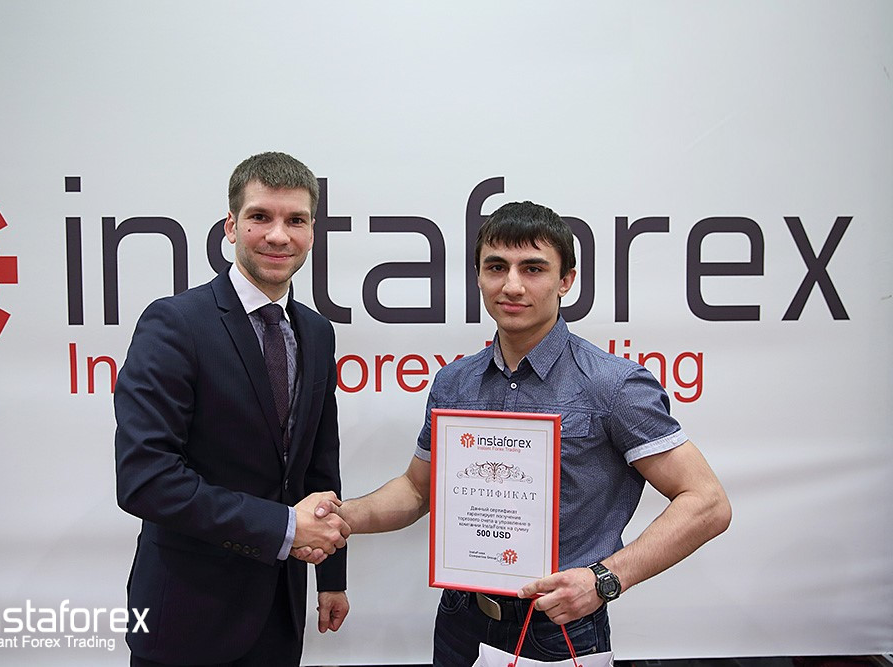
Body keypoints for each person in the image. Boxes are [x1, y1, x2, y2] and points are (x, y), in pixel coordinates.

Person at [300, 200, 731, 665]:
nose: (512, 285)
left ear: (566, 280)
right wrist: (341, 517)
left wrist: (605, 579)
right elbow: (417, 490)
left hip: (558, 629)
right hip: (460, 619)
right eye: (496, 267)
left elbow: (707, 502)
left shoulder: (613, 385)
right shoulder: (455, 382)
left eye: (533, 268)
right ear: (479, 277)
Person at [115, 151, 350, 666]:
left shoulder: (317, 332)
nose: (278, 236)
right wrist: (284, 527)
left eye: (296, 220)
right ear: (230, 226)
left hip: (280, 615)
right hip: (187, 615)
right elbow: (145, 479)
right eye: (260, 217)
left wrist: (331, 576)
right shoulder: (175, 323)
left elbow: (318, 466)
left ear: (312, 232)